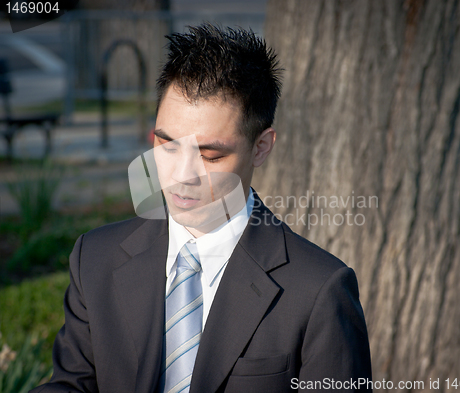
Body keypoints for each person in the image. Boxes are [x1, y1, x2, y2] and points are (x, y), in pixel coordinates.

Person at [31, 24, 372, 393]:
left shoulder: (319, 290)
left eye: (210, 156)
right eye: (167, 146)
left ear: (261, 147)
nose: (181, 175)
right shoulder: (94, 259)